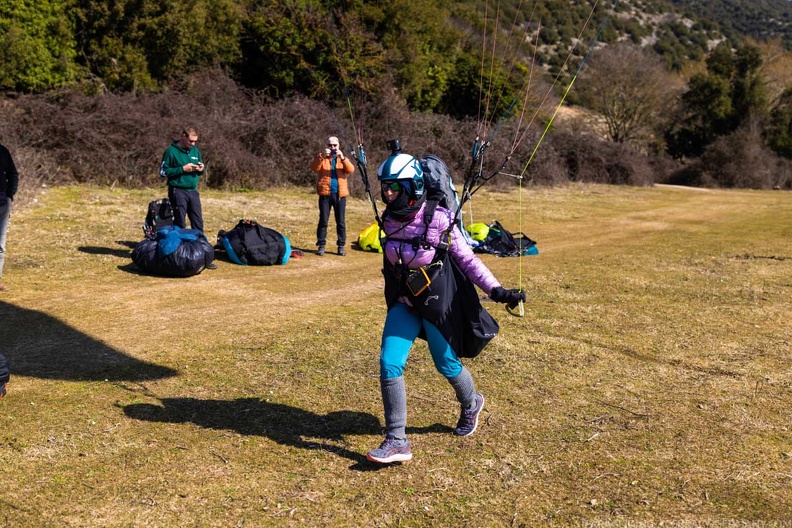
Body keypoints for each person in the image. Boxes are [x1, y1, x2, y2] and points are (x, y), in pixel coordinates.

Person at [366, 145, 525, 464]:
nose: (386, 194)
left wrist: (497, 291)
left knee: (446, 363)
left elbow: (467, 260)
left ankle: (471, 403)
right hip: (405, 301)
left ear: (411, 189)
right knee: (389, 362)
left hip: (437, 303)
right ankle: (397, 439)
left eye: (393, 187)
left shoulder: (438, 218)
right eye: (384, 187)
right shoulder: (390, 217)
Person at [160, 127, 215, 269]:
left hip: (193, 191)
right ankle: (180, 256)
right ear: (183, 136)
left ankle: (203, 255)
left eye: (195, 141)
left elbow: (200, 170)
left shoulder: (195, 151)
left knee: (198, 222)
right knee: (180, 223)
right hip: (177, 190)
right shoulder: (171, 151)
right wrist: (182, 169)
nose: (193, 144)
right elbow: (163, 171)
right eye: (191, 141)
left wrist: (201, 168)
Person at [310, 136, 355, 256]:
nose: (332, 148)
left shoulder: (342, 159)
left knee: (340, 222)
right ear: (327, 146)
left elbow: (351, 170)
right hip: (325, 195)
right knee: (323, 221)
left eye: (335, 145)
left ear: (339, 146)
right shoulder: (322, 158)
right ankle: (321, 245)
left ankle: (341, 246)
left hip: (340, 196)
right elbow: (314, 168)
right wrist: (321, 157)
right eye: (330, 145)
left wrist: (343, 157)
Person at [0, 141, 19, 292]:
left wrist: (9, 195)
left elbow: (13, 174)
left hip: (2, 203)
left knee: (0, 245)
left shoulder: (2, 151)